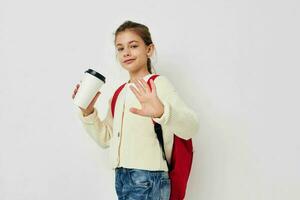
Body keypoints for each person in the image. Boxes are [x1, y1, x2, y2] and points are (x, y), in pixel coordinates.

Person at [72, 20, 199, 200]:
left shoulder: (157, 84)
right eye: (120, 48)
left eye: (133, 46)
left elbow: (191, 127)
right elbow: (106, 139)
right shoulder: (119, 93)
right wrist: (88, 112)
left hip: (148, 177)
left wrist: (162, 112)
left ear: (149, 50)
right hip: (122, 177)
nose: (126, 53)